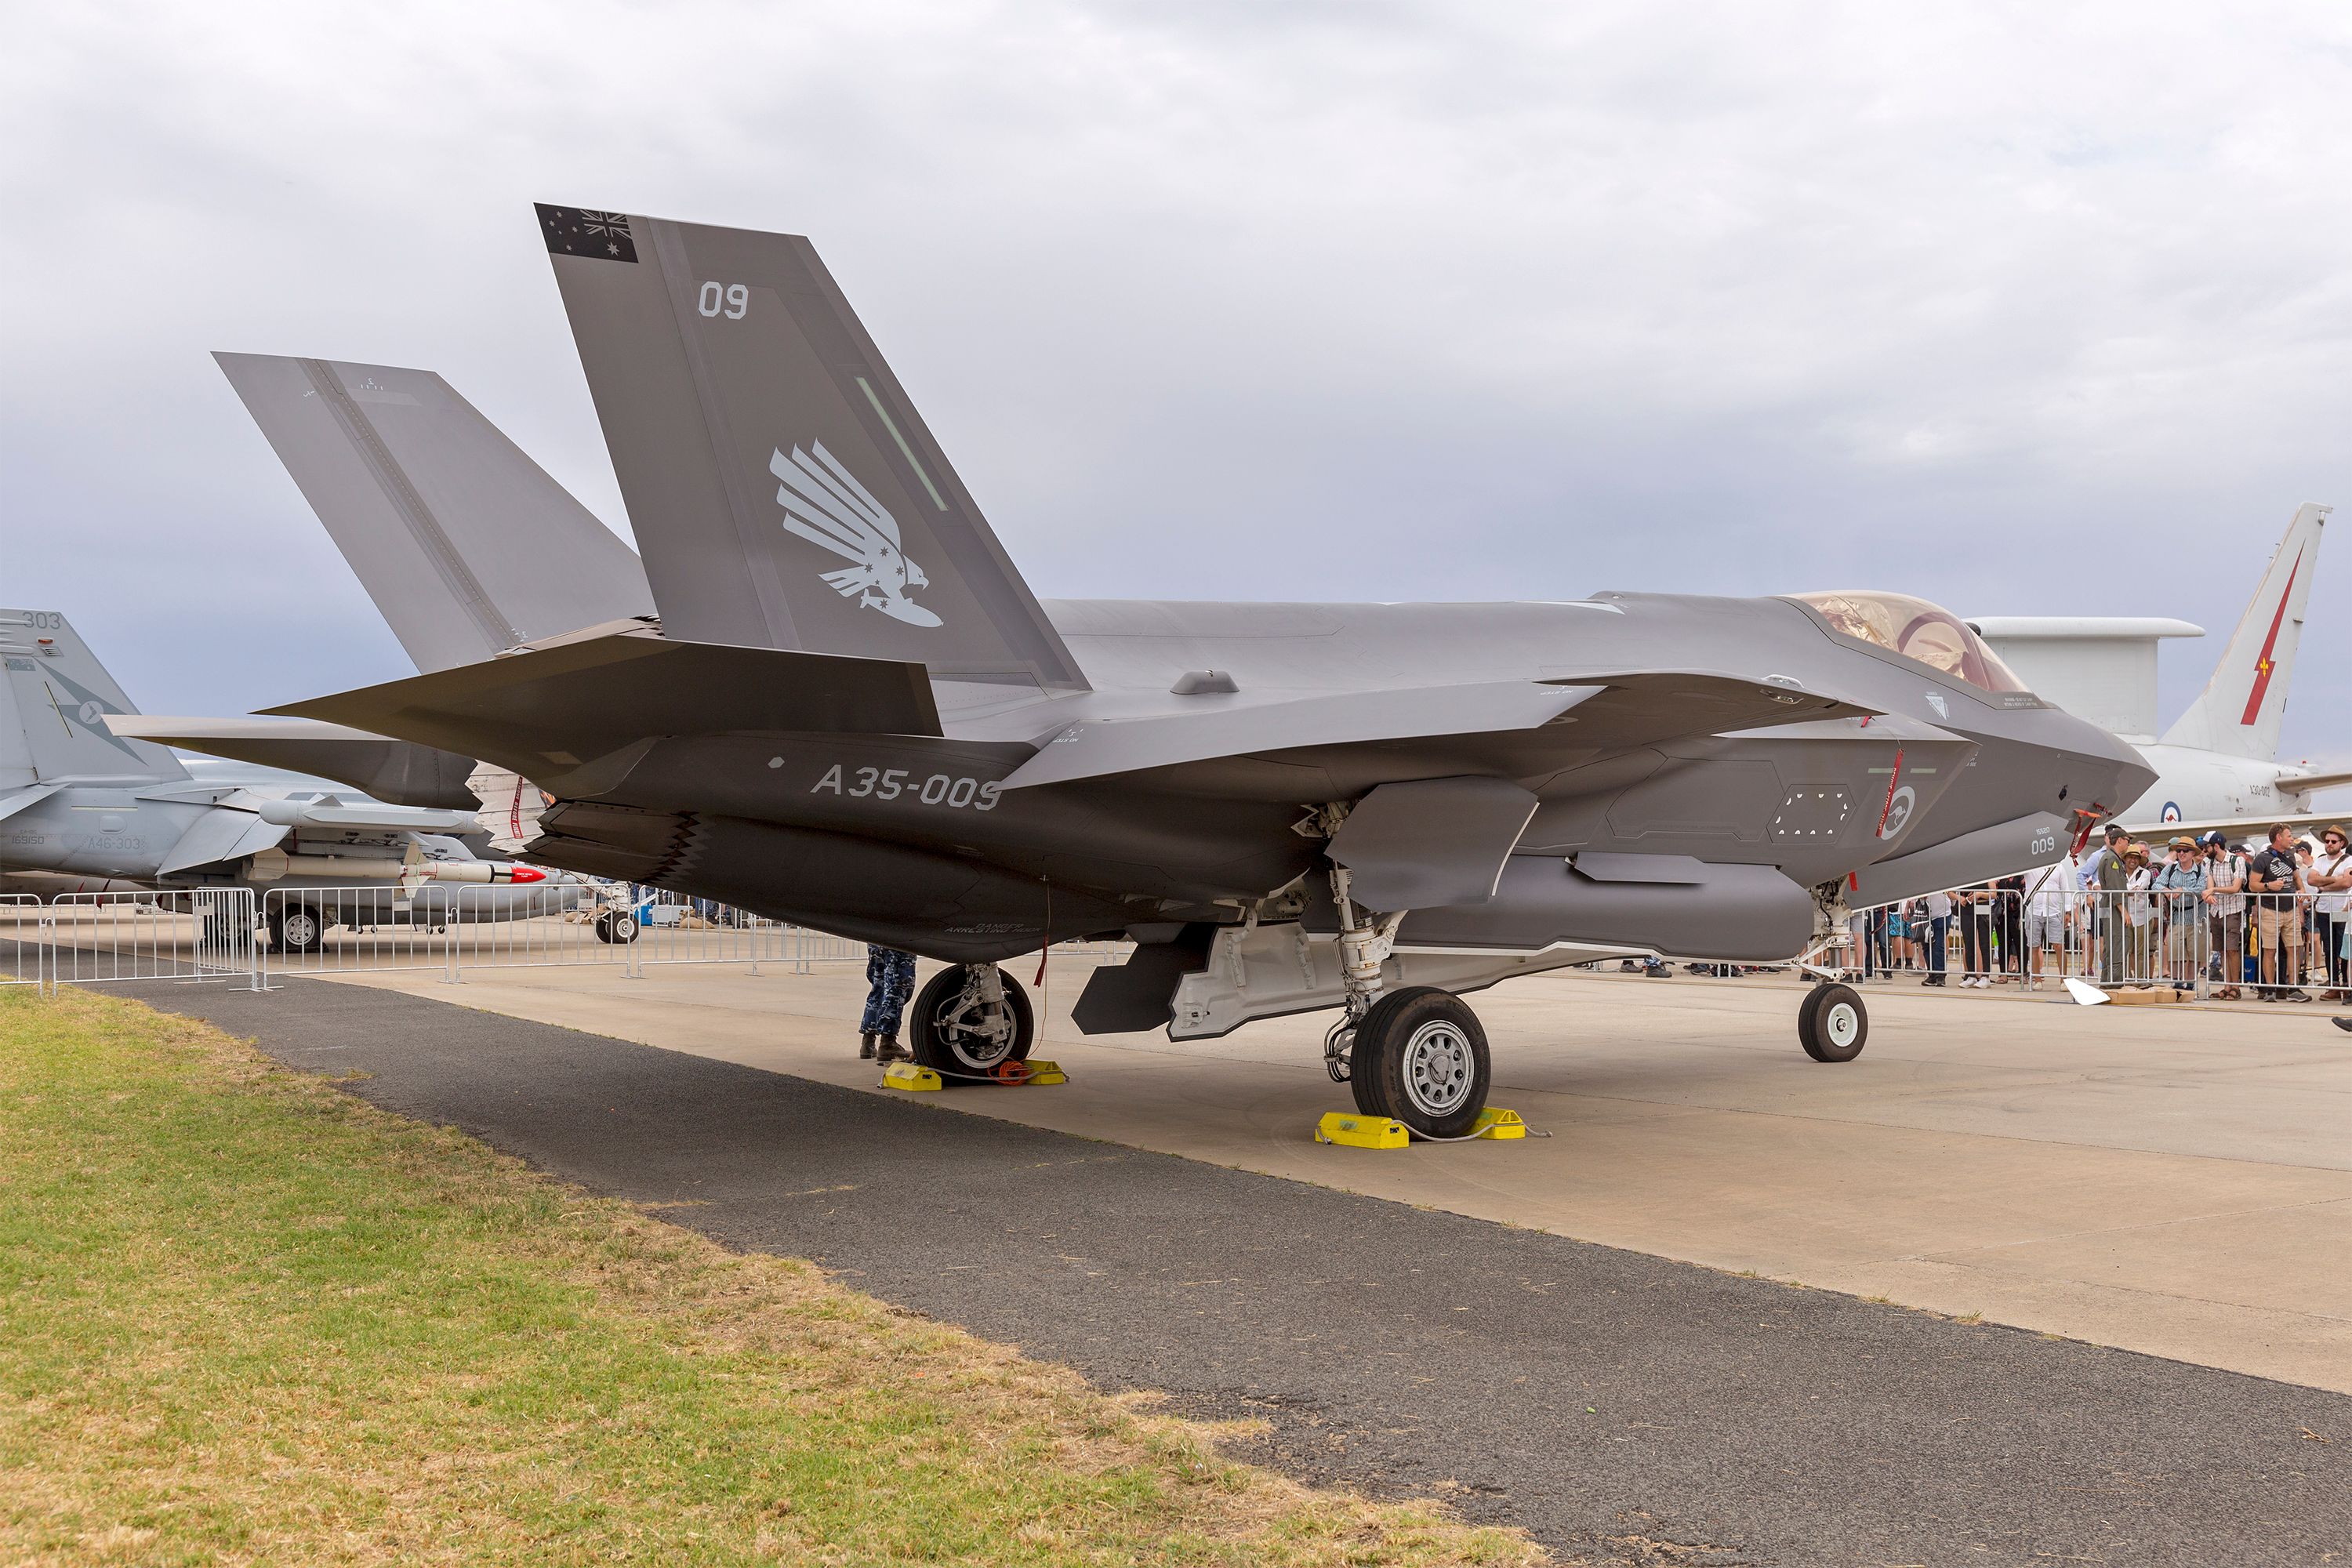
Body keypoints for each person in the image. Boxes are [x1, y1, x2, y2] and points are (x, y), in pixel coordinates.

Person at [2246, 823, 2308, 1002]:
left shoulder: (2290, 855)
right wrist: (2268, 886)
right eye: (2289, 835)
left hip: (2290, 909)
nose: (2292, 838)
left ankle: (2293, 988)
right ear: (2278, 837)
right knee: (2269, 950)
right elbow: (2252, 885)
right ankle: (2270, 989)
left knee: (2294, 949)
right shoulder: (2262, 859)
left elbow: (2297, 878)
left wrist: (2302, 890)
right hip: (2270, 909)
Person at [2154, 836, 2211, 995]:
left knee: (2195, 953)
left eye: (2185, 850)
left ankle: (2191, 983)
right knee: (2176, 951)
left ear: (2193, 853)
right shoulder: (2170, 868)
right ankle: (2178, 982)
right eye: (2179, 850)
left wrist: (2182, 890)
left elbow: (2201, 889)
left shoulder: (2201, 870)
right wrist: (2167, 891)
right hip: (2177, 916)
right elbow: (2157, 883)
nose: (2181, 853)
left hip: (2196, 917)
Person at [2081, 824, 2132, 985]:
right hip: (2114, 909)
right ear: (2119, 841)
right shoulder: (2112, 860)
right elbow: (2115, 888)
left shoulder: (2111, 858)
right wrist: (2123, 911)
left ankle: (2108, 981)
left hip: (2110, 907)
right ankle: (2115, 982)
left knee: (2111, 945)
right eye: (2127, 840)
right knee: (2117, 944)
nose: (2128, 843)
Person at [2202, 830, 2247, 1000]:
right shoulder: (2210, 864)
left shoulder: (2238, 861)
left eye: (2207, 846)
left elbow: (2236, 888)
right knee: (2221, 950)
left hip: (2233, 910)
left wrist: (2213, 890)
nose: (2205, 850)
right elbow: (2209, 885)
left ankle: (2235, 986)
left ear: (2216, 846)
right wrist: (2210, 894)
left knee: (2232, 950)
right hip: (2217, 911)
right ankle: (2227, 986)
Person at [2024, 854, 2078, 989]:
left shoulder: (2059, 867)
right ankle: (2037, 980)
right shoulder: (2030, 865)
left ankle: (2063, 980)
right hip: (2034, 910)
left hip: (2054, 911)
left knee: (2059, 945)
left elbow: (2065, 888)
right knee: (2034, 946)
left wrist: (2068, 911)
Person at [2313, 825, 2351, 1002]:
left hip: (2341, 909)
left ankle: (2346, 986)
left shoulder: (2348, 860)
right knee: (2329, 948)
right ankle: (2334, 984)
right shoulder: (2320, 860)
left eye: (2333, 841)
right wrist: (2334, 879)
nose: (2329, 844)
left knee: (2343, 949)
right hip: (2323, 910)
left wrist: (2323, 885)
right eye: (2327, 841)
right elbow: (2311, 879)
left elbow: (2347, 883)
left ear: (2341, 843)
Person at [858, 945, 918, 1059]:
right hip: (898, 940)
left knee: (879, 986)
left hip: (876, 939)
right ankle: (887, 1043)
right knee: (896, 990)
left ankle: (868, 1042)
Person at [1920, 887, 1952, 986]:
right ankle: (1932, 974)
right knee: (1926, 946)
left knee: (1938, 945)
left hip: (1941, 914)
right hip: (1924, 914)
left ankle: (1940, 976)